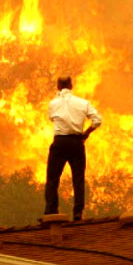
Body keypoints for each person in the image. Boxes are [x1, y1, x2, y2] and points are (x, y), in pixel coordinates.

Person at [44, 76, 102, 221]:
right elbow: (97, 120)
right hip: (76, 142)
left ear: (58, 86)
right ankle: (77, 213)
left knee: (52, 179)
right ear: (71, 86)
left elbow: (52, 118)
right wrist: (86, 133)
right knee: (78, 179)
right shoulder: (83, 103)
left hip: (60, 142)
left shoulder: (53, 104)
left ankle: (51, 212)